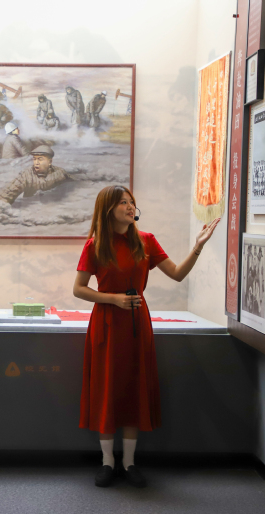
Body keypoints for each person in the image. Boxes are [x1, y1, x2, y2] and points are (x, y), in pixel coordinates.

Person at [73, 185, 220, 489]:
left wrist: (198, 246)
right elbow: (79, 289)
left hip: (137, 323)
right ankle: (107, 462)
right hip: (106, 324)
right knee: (106, 389)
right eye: (123, 202)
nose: (130, 206)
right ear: (108, 209)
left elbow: (177, 273)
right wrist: (113, 299)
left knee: (133, 388)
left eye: (131, 202)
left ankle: (129, 463)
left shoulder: (146, 240)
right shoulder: (94, 245)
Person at [0, 145, 70, 204]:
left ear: (50, 162)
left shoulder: (60, 173)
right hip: (30, 211)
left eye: (40, 159)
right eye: (34, 159)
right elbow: (8, 194)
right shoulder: (26, 175)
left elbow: (71, 193)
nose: (36, 163)